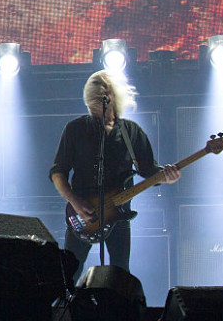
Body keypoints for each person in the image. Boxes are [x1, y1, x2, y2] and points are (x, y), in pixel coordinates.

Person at [49, 70, 180, 284]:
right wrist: (75, 201)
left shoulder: (131, 131)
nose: (97, 103)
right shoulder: (75, 129)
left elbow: (148, 170)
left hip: (119, 214)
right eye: (93, 99)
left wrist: (167, 177)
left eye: (102, 97)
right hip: (83, 213)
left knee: (120, 274)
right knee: (69, 272)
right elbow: (58, 172)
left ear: (113, 96)